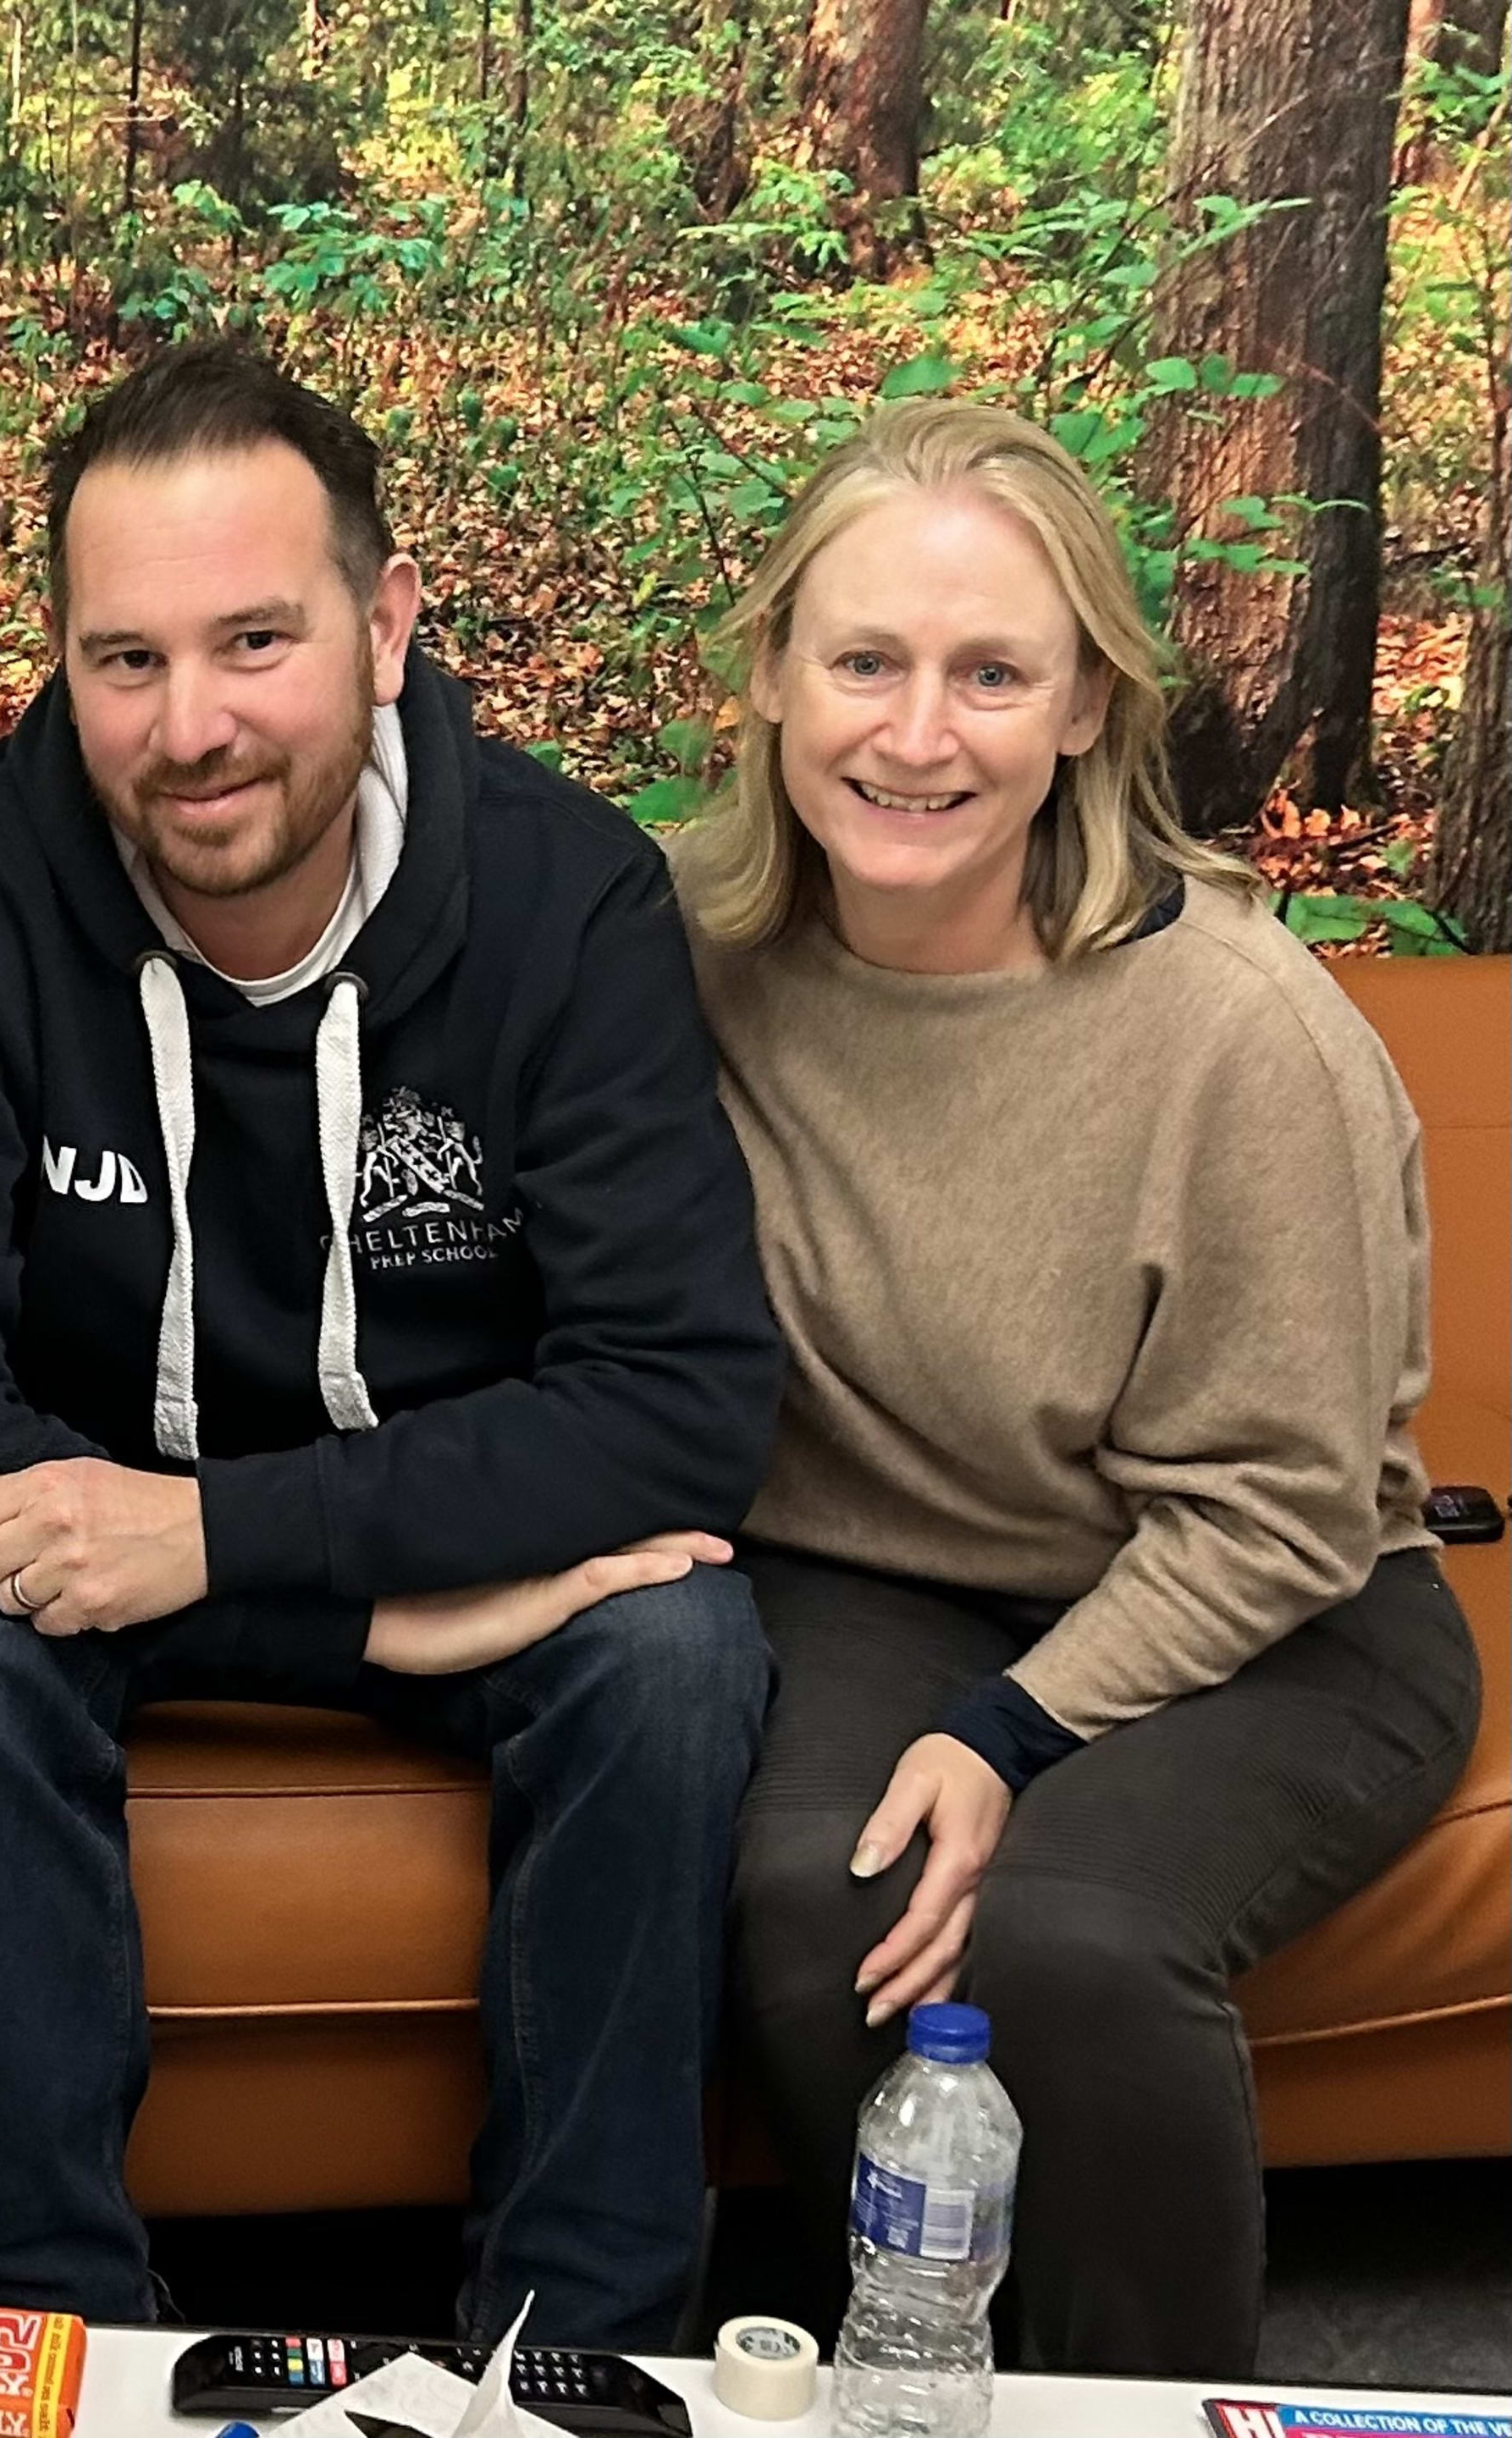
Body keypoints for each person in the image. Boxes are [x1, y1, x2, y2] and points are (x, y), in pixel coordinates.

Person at [0, 336, 781, 2347]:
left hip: (393, 1541)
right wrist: (360, 1619)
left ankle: (575, 2337)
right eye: (127, 660)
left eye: (256, 640)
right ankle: (60, 2325)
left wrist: (225, 1537)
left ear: (386, 625)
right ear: (65, 661)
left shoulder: (568, 900)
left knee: (677, 1650)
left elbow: (682, 1404)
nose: (193, 727)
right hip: (119, 1570)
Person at [677, 399, 1482, 2375]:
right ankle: (914, 2383)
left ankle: (1146, 2405)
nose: (915, 734)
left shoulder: (1237, 1033)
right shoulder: (681, 956)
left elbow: (1286, 1509)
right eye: (865, 661)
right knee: (816, 1901)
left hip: (1279, 1609)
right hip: (884, 1569)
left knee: (1066, 1938)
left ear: (1084, 712)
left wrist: (1009, 1733)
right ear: (772, 674)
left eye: (991, 675)